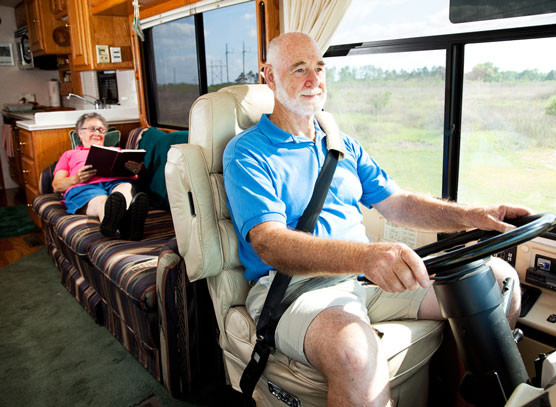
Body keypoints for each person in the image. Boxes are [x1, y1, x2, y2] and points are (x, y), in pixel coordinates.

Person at [222, 32, 531, 407]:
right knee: (356, 353)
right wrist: (367, 256)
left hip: (364, 281)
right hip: (292, 290)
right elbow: (270, 242)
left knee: (499, 281)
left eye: (319, 68)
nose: (313, 80)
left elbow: (398, 203)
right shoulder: (248, 152)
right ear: (269, 77)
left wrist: (472, 216)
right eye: (299, 69)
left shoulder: (342, 145)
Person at [52, 112, 149, 241]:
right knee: (102, 201)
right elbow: (56, 186)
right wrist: (76, 179)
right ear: (80, 133)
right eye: (92, 129)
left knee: (125, 188)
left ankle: (124, 226)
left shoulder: (118, 151)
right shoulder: (69, 154)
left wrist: (139, 170)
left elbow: (141, 178)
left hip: (118, 182)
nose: (97, 133)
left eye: (101, 130)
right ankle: (124, 227)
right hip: (85, 187)